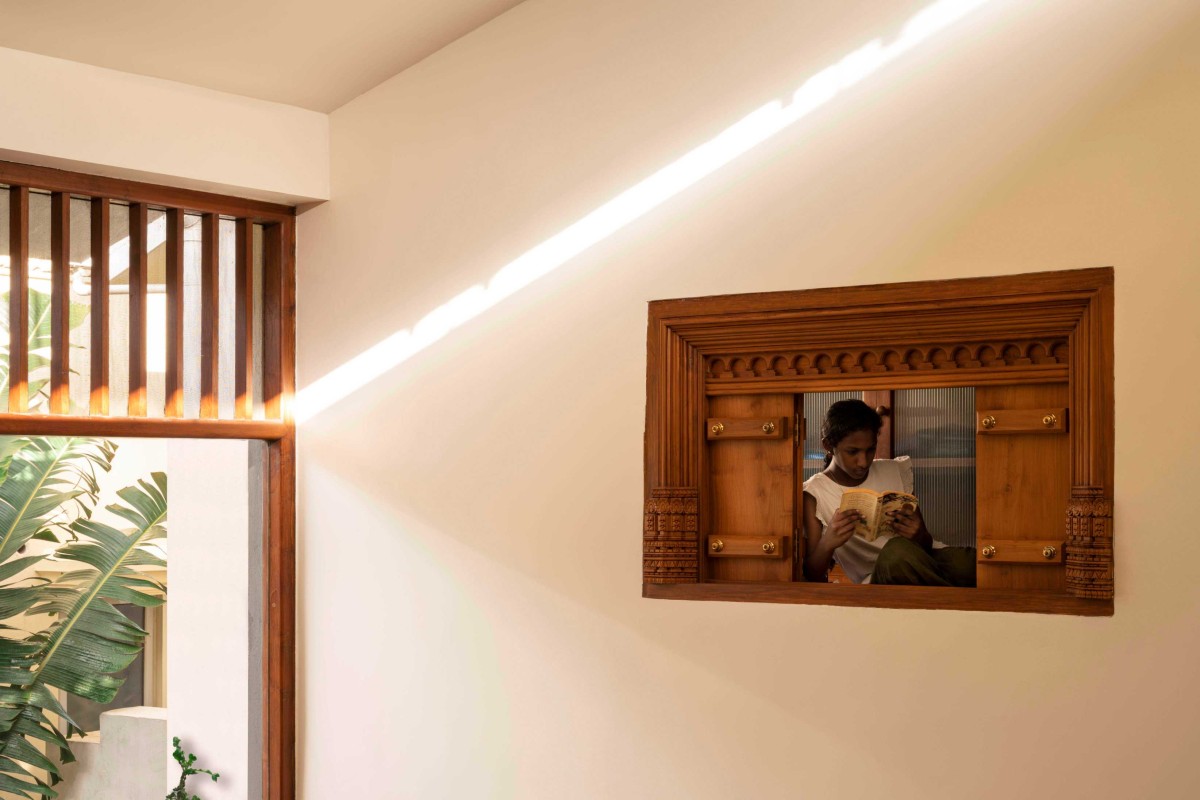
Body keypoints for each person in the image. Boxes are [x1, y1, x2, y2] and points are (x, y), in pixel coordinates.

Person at [802, 399, 976, 586]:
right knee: (897, 552)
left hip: (924, 560)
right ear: (828, 446)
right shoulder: (815, 493)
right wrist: (828, 543)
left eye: (870, 450)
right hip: (880, 574)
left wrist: (919, 534)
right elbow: (812, 574)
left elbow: (925, 543)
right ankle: (955, 604)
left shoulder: (895, 470)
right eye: (852, 452)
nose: (863, 461)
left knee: (969, 562)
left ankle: (945, 601)